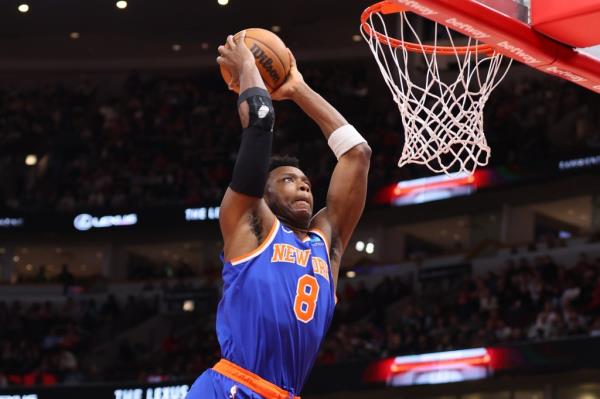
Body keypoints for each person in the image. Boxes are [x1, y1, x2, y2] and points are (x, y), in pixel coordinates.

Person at [186, 31, 371, 399]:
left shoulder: (327, 244)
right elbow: (259, 121)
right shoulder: (249, 224)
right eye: (289, 180)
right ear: (265, 196)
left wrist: (298, 89)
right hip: (231, 387)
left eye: (305, 182)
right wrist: (249, 67)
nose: (304, 186)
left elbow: (357, 154)